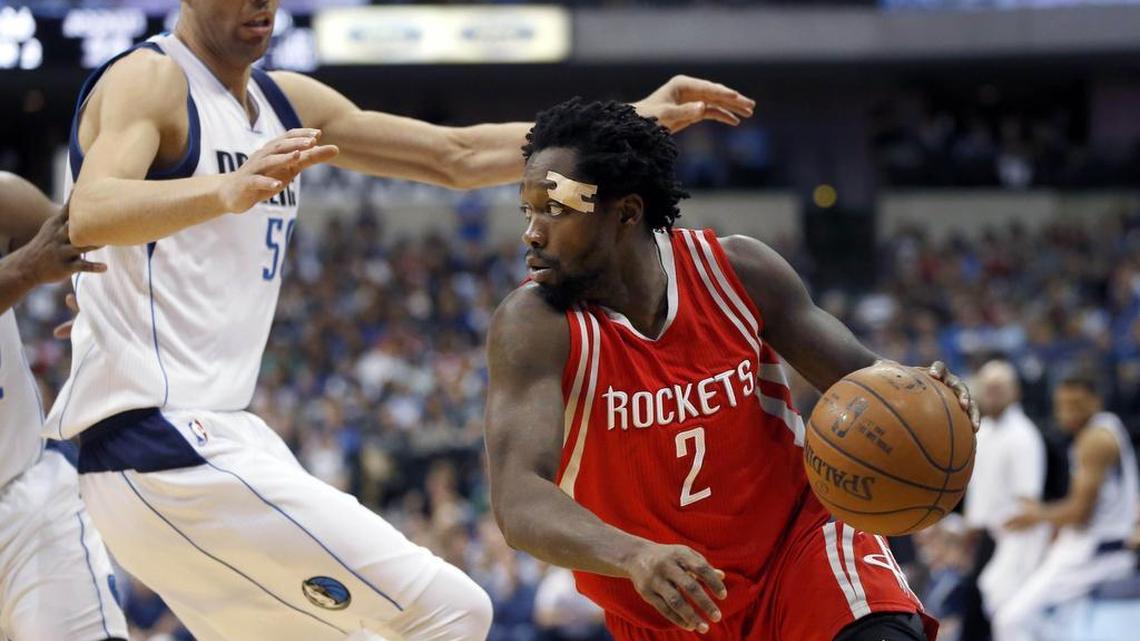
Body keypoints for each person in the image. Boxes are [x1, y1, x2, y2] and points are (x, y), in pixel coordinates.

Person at [50, 1, 754, 639]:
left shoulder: (282, 100)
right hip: (159, 436)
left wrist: (637, 121)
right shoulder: (151, 80)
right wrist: (228, 190)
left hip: (204, 442)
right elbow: (88, 210)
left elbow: (452, 156)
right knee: (452, 610)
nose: (261, 3)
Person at [483, 98, 979, 641]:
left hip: (797, 552)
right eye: (527, 211)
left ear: (625, 212)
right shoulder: (533, 325)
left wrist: (928, 397)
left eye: (554, 209)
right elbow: (517, 499)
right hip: (663, 600)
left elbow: (862, 377)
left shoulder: (738, 271)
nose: (532, 233)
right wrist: (634, 555)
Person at [0, 172, 126, 641]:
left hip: (26, 502)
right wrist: (25, 270)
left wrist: (106, 298)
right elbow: (32, 263)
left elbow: (85, 231)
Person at [994, 374, 1138, 641]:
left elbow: (1080, 513)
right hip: (1095, 545)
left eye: (1076, 404)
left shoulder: (1094, 441)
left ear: (1096, 402)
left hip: (1097, 552)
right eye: (1062, 404)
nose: (1067, 412)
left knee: (1010, 620)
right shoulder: (1105, 428)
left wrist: (1037, 515)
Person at [962, 360, 1050, 620]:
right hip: (983, 535)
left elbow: (1028, 503)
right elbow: (979, 490)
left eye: (999, 387)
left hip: (1010, 539)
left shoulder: (1023, 437)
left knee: (999, 616)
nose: (992, 393)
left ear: (1015, 392)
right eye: (987, 387)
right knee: (975, 612)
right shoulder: (983, 431)